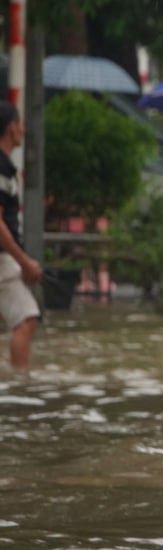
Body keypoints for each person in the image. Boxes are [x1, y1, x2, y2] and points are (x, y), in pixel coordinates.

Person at [0, 103, 39, 371]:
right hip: (1, 259)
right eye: (21, 123)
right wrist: (24, 262)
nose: (24, 130)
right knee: (26, 319)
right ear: (12, 127)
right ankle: (20, 386)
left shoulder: (7, 168)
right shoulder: (1, 168)